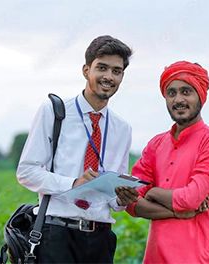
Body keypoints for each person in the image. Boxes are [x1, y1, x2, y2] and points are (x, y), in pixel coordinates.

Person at [17, 35, 139, 264]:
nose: (109, 76)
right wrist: (73, 183)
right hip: (57, 234)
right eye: (101, 68)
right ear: (86, 70)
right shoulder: (54, 111)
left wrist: (123, 198)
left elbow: (113, 202)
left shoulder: (122, 129)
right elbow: (26, 172)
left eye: (116, 71)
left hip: (101, 238)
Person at [124, 61, 209, 264]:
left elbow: (191, 199)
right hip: (156, 258)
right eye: (171, 93)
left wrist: (153, 193)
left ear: (200, 96)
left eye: (186, 92)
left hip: (200, 258)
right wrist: (179, 213)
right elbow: (131, 202)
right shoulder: (156, 145)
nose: (178, 100)